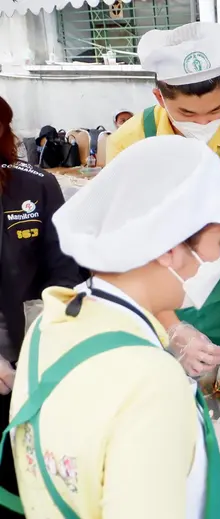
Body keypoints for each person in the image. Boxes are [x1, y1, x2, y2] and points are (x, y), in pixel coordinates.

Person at [0, 136, 220, 518]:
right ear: (167, 248)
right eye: (219, 241)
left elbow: (99, 448)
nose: (218, 260)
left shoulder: (52, 322)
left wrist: (201, 442)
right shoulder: (151, 376)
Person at [107, 22, 220, 372]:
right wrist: (171, 326)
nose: (203, 122)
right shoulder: (129, 143)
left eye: (215, 111)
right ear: (160, 98)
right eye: (187, 113)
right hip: (152, 304)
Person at [0, 95, 85, 515]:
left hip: (30, 365)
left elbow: (65, 270)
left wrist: (44, 338)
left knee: (30, 476)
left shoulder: (34, 185)